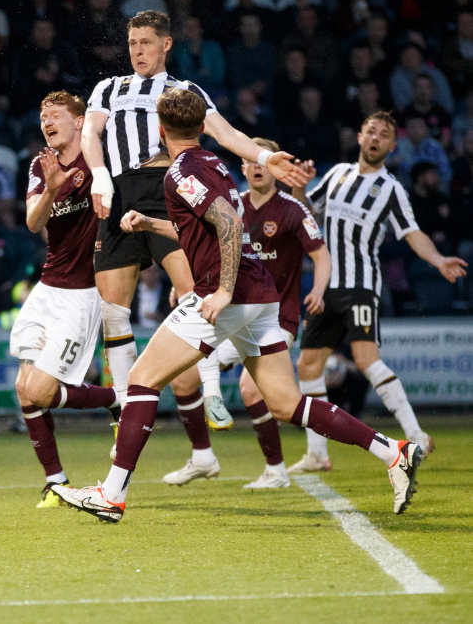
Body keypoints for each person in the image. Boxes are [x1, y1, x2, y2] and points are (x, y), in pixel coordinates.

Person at [53, 88, 425, 523]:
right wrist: (149, 223)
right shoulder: (216, 165)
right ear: (202, 128)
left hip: (226, 294)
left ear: (159, 129)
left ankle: (111, 494)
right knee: (288, 405)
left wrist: (224, 291)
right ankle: (394, 451)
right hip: (261, 296)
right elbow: (204, 227)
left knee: (140, 380)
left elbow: (228, 223)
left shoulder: (179, 173)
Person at [82, 10, 310, 420]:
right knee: (113, 310)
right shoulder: (109, 88)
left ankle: (211, 393)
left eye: (146, 42)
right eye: (132, 43)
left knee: (195, 292)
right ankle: (121, 403)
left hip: (165, 189)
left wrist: (263, 155)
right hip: (117, 193)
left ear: (166, 44)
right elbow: (89, 133)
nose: (138, 51)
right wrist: (99, 175)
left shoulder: (182, 90)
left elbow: (224, 133)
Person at [290, 111, 467, 473]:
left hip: (361, 286)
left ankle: (416, 434)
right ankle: (317, 454)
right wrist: (299, 188)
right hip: (326, 286)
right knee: (308, 365)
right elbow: (307, 212)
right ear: (359, 137)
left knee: (367, 358)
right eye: (371, 131)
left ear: (391, 145)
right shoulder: (337, 173)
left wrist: (437, 261)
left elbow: (412, 233)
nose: (375, 138)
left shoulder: (392, 189)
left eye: (383, 134)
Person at [174, 138, 330, 490]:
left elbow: (321, 254)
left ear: (271, 167)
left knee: (251, 388)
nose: (257, 167)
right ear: (243, 167)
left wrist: (317, 290)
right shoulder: (232, 206)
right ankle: (202, 456)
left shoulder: (292, 209)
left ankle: (276, 470)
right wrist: (183, 279)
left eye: (262, 161)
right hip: (233, 313)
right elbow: (204, 243)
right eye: (250, 161)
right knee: (182, 379)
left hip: (276, 317)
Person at [9, 91, 118, 508]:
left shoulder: (97, 164)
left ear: (77, 122)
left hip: (81, 294)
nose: (46, 122)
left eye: (54, 115)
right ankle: (55, 482)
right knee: (24, 390)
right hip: (47, 289)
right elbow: (34, 221)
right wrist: (52, 188)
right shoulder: (43, 164)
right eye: (42, 116)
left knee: (39, 391)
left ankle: (114, 398)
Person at [388, 115, 451, 190]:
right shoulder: (397, 146)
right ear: (406, 129)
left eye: (419, 127)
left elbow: (445, 172)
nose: (416, 130)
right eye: (412, 127)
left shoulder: (435, 147)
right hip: (404, 188)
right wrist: (391, 163)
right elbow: (381, 165)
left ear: (426, 129)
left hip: (432, 190)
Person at [226, 14, 278, 100]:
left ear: (260, 27)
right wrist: (250, 87)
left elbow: (272, 73)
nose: (250, 28)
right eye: (246, 25)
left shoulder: (268, 49)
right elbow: (233, 76)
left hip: (266, 89)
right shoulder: (234, 49)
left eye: (253, 24)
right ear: (240, 28)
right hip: (241, 89)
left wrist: (263, 85)